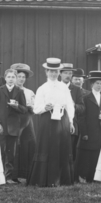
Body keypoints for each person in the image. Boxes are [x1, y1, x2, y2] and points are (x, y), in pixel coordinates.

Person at [31, 57, 77, 187]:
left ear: (59, 72)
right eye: (51, 71)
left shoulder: (64, 88)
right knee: (48, 146)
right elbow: (36, 109)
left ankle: (62, 179)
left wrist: (71, 122)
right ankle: (46, 179)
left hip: (62, 120)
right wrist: (45, 107)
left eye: (56, 71)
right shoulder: (42, 88)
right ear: (46, 72)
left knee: (62, 146)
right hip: (47, 119)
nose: (53, 74)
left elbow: (69, 105)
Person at [0, 66, 30, 183]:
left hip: (14, 126)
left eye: (13, 77)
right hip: (1, 125)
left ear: (16, 79)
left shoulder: (19, 91)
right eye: (9, 77)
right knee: (0, 151)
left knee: (11, 153)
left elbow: (24, 109)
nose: (11, 79)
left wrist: (17, 106)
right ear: (5, 78)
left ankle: (8, 176)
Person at [76, 70, 101, 182]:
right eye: (97, 83)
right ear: (92, 84)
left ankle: (95, 177)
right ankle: (84, 176)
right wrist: (84, 132)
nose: (99, 85)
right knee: (87, 154)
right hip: (89, 130)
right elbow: (81, 117)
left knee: (98, 153)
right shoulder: (86, 97)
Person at [11, 63, 36, 185]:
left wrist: (31, 107)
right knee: (15, 145)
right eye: (19, 76)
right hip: (15, 120)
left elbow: (35, 107)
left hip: (27, 120)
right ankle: (12, 175)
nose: (21, 79)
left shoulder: (29, 92)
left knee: (29, 144)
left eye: (23, 77)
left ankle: (27, 174)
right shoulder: (10, 90)